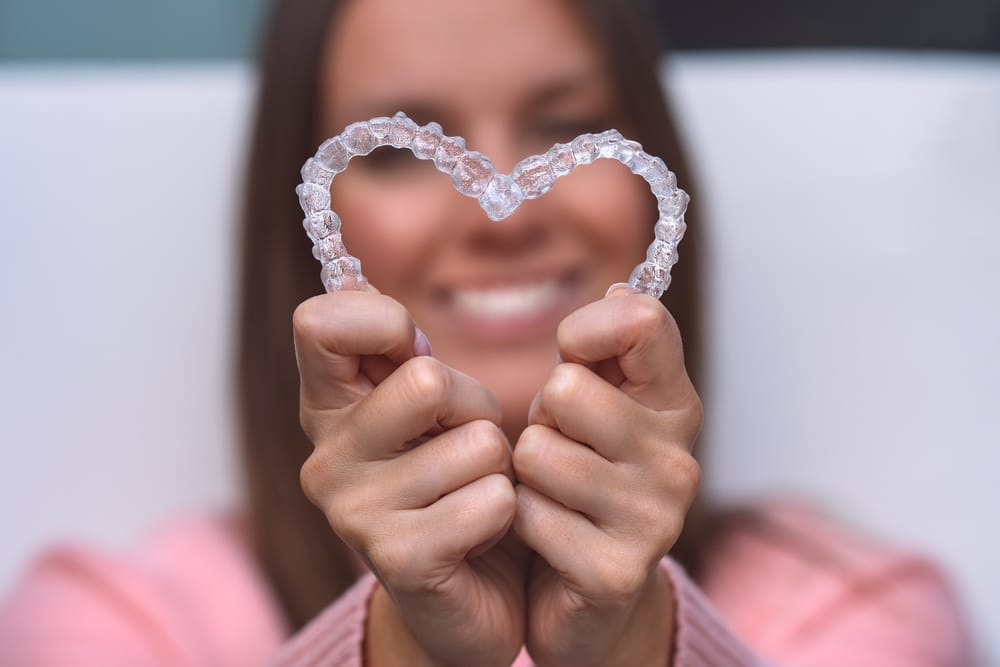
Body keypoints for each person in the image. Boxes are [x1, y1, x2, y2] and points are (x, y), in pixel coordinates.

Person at [0, 0, 973, 665]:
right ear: (304, 227)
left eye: (569, 126)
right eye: (397, 150)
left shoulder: (862, 610)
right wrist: (404, 647)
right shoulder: (109, 621)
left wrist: (638, 642)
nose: (500, 213)